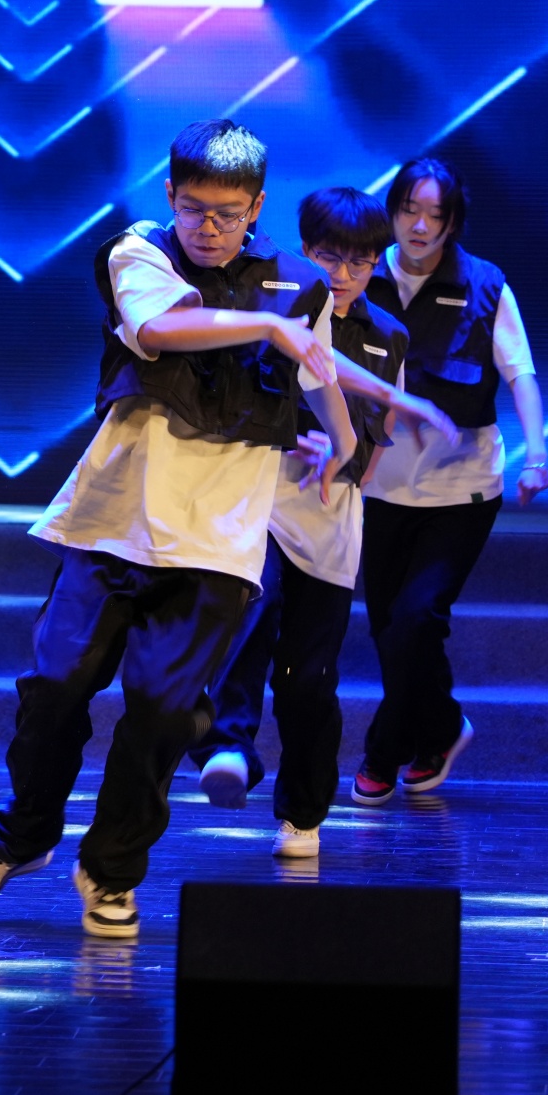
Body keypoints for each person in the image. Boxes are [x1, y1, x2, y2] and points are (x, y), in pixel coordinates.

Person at [0, 119, 356, 939]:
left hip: (218, 542)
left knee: (164, 714)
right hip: (113, 523)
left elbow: (319, 368)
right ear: (170, 195)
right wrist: (269, 328)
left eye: (228, 213)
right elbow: (162, 329)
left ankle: (111, 871)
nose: (209, 226)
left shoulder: (299, 287)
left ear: (256, 207)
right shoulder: (139, 253)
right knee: (55, 686)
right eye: (194, 207)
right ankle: (22, 835)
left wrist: (342, 442)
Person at [188, 187, 458, 856]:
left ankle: (304, 812)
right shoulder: (273, 306)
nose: (342, 274)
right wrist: (290, 440)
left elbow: (373, 440)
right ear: (305, 249)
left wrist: (344, 458)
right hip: (258, 502)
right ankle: (228, 746)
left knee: (309, 676)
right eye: (329, 257)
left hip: (331, 518)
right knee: (249, 618)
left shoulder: (388, 335)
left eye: (359, 262)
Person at [352, 158, 548, 804]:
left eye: (434, 215)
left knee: (417, 617)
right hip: (379, 485)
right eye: (410, 210)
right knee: (389, 626)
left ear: (452, 223)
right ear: (393, 211)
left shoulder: (486, 284)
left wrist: (537, 455)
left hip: (461, 488)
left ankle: (385, 748)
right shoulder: (360, 274)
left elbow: (521, 373)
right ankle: (440, 729)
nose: (419, 225)